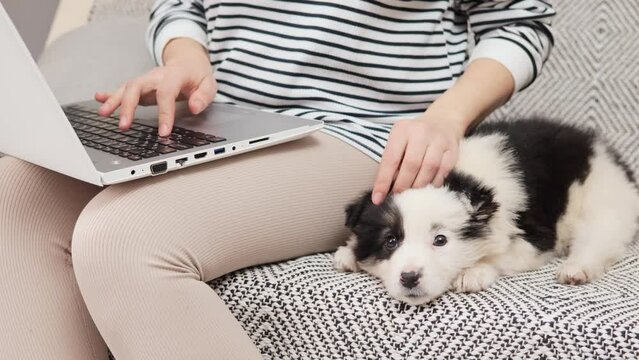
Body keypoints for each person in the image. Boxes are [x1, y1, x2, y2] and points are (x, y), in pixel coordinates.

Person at [0, 1, 554, 359]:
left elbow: (520, 21)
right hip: (217, 116)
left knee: (123, 237)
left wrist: (448, 115)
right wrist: (185, 56)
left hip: (370, 136)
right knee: (15, 194)